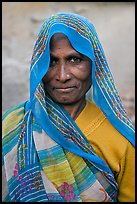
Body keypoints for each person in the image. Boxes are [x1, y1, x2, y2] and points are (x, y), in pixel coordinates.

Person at [2, 12, 135, 202]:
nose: (63, 75)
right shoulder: (13, 127)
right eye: (51, 61)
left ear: (94, 65)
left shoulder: (120, 140)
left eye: (75, 60)